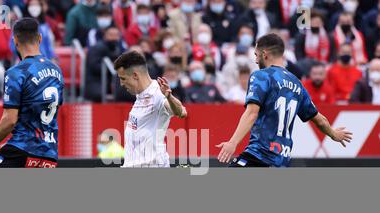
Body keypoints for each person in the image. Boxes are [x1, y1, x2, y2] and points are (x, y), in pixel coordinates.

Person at [216, 33, 353, 167]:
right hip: (282, 161)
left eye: (256, 56)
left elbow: (252, 113)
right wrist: (333, 134)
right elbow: (318, 119)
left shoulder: (261, 76)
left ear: (265, 54)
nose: (256, 61)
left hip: (259, 155)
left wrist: (233, 142)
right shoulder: (297, 84)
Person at [0, 18, 64, 168]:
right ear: (40, 38)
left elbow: (10, 119)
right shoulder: (57, 71)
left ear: (15, 40)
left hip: (22, 148)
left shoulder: (17, 73)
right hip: (49, 155)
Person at [113, 50, 187, 167]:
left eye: (123, 78)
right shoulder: (140, 94)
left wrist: (169, 97)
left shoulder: (158, 93)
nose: (121, 84)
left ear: (135, 76)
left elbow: (181, 112)